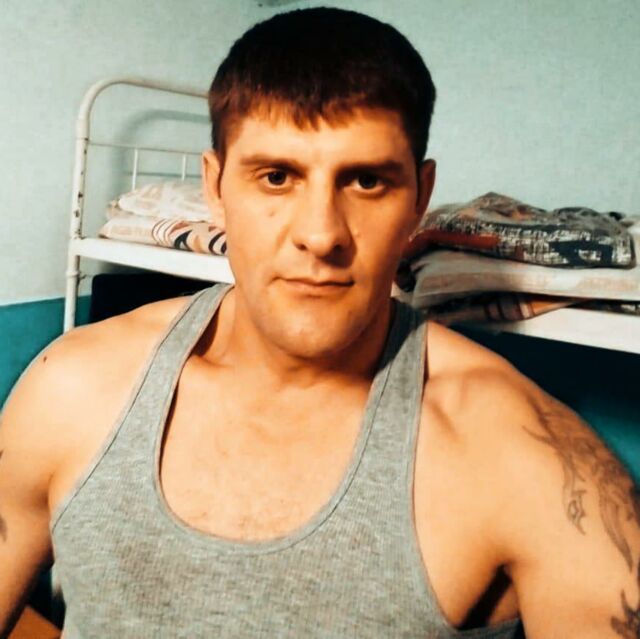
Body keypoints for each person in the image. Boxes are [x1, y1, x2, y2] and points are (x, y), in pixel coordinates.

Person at [1, 7, 638, 638]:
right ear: (215, 188)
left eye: (366, 182)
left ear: (420, 197)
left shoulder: (540, 467)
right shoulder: (74, 387)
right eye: (277, 177)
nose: (321, 233)